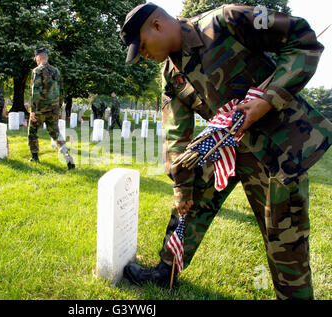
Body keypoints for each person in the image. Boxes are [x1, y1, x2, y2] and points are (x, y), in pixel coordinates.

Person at [120, 3, 332, 299]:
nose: (143, 55)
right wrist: (181, 181)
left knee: (284, 236)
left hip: (276, 145)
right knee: (190, 197)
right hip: (224, 146)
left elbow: (303, 40)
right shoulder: (170, 71)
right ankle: (165, 271)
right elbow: (176, 133)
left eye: (142, 46)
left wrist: (267, 100)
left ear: (157, 25)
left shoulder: (227, 20)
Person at [28, 48, 75, 170]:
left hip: (40, 109)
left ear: (38, 58)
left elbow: (35, 91)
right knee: (56, 134)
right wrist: (58, 107)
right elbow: (61, 91)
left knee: (32, 133)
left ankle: (35, 157)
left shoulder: (37, 71)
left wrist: (33, 110)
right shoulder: (56, 71)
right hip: (53, 109)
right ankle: (67, 156)